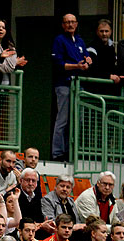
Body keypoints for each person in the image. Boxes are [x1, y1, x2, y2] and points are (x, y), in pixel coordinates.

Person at [51, 14, 91, 161]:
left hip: (78, 85)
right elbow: (59, 64)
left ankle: (71, 151)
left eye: (72, 22)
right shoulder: (59, 40)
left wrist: (87, 62)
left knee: (77, 120)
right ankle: (57, 153)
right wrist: (77, 66)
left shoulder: (80, 41)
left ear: (77, 24)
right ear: (63, 25)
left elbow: (87, 58)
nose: (70, 25)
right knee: (63, 119)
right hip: (64, 84)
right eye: (67, 22)